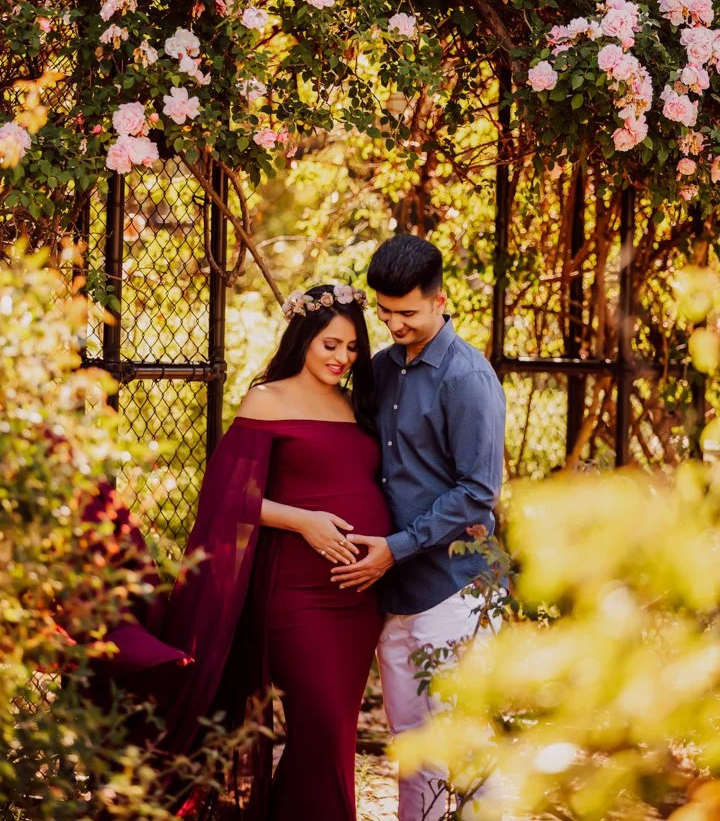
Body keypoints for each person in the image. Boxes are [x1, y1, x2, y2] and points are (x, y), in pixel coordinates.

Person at [82, 282, 392, 821]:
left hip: (358, 597)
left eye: (351, 347)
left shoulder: (355, 404)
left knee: (333, 731)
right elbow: (226, 495)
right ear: (302, 340)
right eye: (330, 345)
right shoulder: (267, 399)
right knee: (320, 722)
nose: (342, 357)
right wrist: (304, 522)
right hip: (295, 595)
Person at [330, 234, 506, 821]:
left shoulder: (467, 376)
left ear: (440, 301)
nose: (394, 324)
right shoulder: (381, 369)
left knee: (464, 741)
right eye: (385, 312)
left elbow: (479, 492)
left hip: (456, 585)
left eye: (407, 312)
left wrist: (396, 548)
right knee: (410, 744)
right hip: (395, 588)